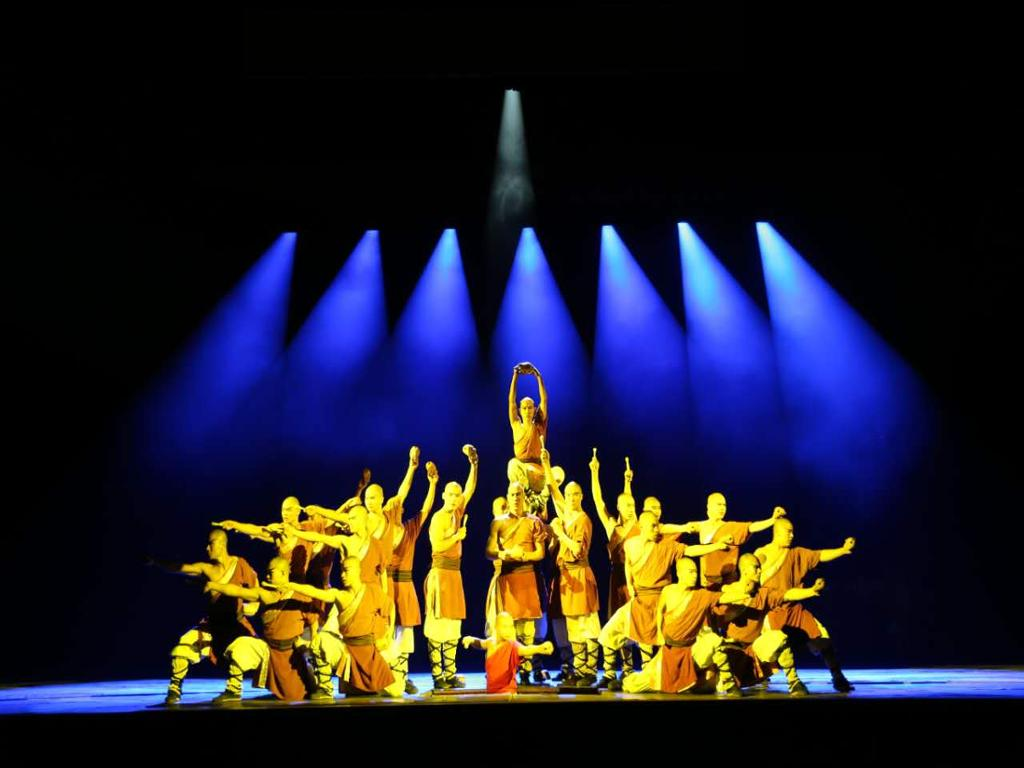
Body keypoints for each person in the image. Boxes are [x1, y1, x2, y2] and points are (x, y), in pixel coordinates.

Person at [151, 528, 259, 705]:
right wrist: (156, 562)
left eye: (211, 543)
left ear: (222, 543)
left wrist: (244, 609)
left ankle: (234, 689)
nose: (207, 548)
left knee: (242, 649)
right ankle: (175, 688)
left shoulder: (241, 565)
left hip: (234, 625)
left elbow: (256, 598)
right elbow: (180, 568)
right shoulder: (206, 569)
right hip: (212, 625)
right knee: (185, 644)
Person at [754, 518, 856, 691]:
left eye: (793, 532)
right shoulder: (762, 554)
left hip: (794, 608)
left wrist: (842, 550)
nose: (792, 535)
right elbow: (750, 574)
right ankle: (781, 679)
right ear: (776, 532)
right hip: (772, 610)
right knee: (774, 646)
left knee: (822, 636)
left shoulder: (797, 553)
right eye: (788, 532)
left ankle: (837, 675)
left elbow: (819, 555)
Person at [423, 444, 479, 690]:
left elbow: (470, 488)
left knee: (453, 626)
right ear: (444, 495)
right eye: (452, 494)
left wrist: (474, 465)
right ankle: (438, 675)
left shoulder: (458, 512)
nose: (456, 498)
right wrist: (457, 536)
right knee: (437, 625)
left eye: (457, 495)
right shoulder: (438, 517)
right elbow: (437, 545)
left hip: (455, 574)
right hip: (440, 574)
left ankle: (450, 673)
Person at [462, 612, 555, 694]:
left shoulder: (512, 645)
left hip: (507, 692)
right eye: (504, 626)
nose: (508, 630)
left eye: (510, 626)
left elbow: (525, 649)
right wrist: (471, 639)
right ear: (496, 627)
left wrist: (539, 648)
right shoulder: (491, 642)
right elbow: (481, 643)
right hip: (491, 691)